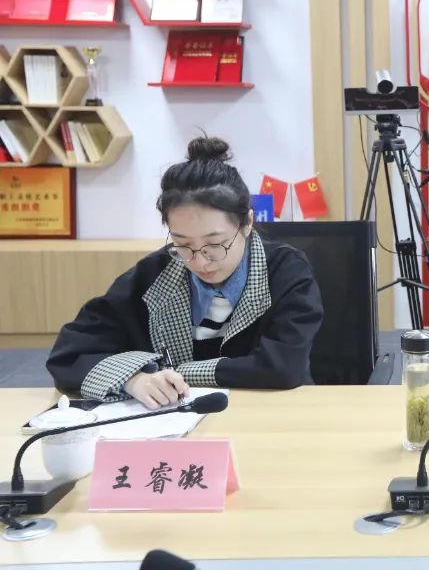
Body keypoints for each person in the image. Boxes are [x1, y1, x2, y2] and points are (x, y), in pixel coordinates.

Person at [47, 137, 323, 408]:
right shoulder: (153, 275)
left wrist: (174, 372)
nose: (200, 261)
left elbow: (283, 367)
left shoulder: (285, 271)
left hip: (272, 414)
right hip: (177, 422)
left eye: (214, 244)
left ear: (247, 222)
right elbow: (68, 356)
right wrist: (134, 379)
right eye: (183, 244)